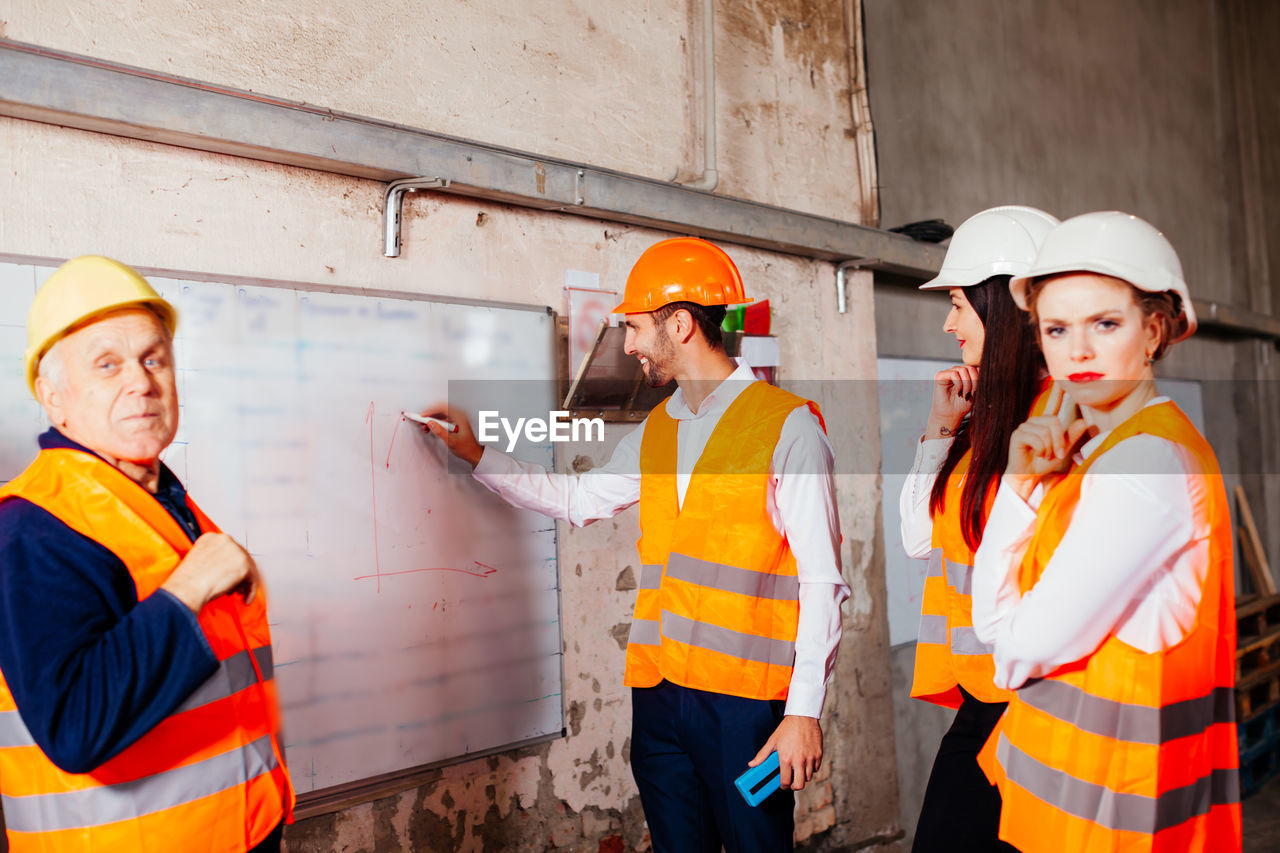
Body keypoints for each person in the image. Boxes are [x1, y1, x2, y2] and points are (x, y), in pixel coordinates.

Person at [420, 237, 848, 852]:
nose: (628, 345)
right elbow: (578, 501)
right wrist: (477, 455)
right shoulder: (659, 428)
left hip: (746, 707)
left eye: (635, 328)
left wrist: (803, 711)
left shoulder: (788, 427)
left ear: (680, 324)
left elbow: (823, 581)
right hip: (660, 699)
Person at [0, 256, 294, 852]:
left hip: (240, 832)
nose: (141, 382)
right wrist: (191, 588)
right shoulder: (33, 528)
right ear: (52, 398)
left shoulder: (159, 502)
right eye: (107, 364)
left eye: (153, 358)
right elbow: (76, 726)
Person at [970, 212, 1241, 851]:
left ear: (1153, 331)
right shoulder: (1098, 452)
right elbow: (997, 634)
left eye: (1106, 324)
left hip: (1113, 824)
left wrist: (1012, 642)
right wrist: (1019, 485)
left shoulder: (1146, 463)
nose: (1079, 352)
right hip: (1068, 813)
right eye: (1057, 329)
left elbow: (1013, 653)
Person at [898, 205, 1058, 851]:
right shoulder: (979, 425)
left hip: (1039, 705)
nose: (948, 322)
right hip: (985, 699)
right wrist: (940, 428)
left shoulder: (1059, 419)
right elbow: (918, 537)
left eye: (960, 304)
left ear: (1005, 306)